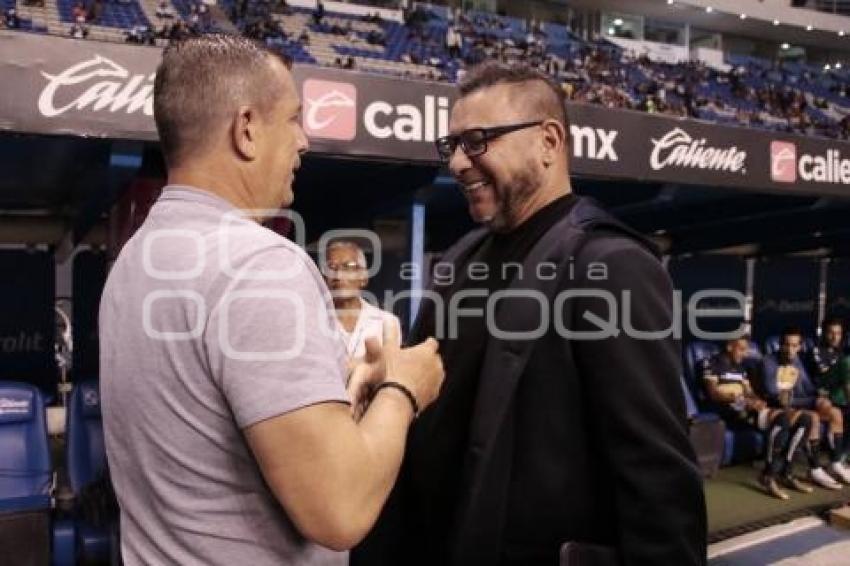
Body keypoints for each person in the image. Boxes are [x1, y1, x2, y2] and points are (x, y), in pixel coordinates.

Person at [99, 35, 444, 565]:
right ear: (246, 129)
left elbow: (207, 423)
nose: (304, 140)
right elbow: (340, 509)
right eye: (293, 119)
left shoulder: (135, 258)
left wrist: (336, 392)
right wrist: (404, 388)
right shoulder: (261, 264)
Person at [359, 62, 705, 565]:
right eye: (451, 145)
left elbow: (657, 478)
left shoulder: (611, 264)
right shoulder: (460, 258)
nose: (457, 163)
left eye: (478, 140)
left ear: (548, 141)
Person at [762, 327, 849, 488]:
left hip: (797, 403)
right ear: (780, 345)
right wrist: (809, 400)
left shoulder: (797, 361)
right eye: (787, 345)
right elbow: (776, 396)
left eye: (794, 346)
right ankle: (815, 469)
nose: (790, 350)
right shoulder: (769, 361)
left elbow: (808, 388)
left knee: (835, 413)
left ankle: (836, 463)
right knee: (813, 418)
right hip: (778, 409)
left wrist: (819, 398)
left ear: (800, 347)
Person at [322, 240, 402, 363]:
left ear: (363, 277)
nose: (338, 275)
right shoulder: (313, 323)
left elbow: (391, 371)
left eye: (348, 267)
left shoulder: (386, 323)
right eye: (331, 268)